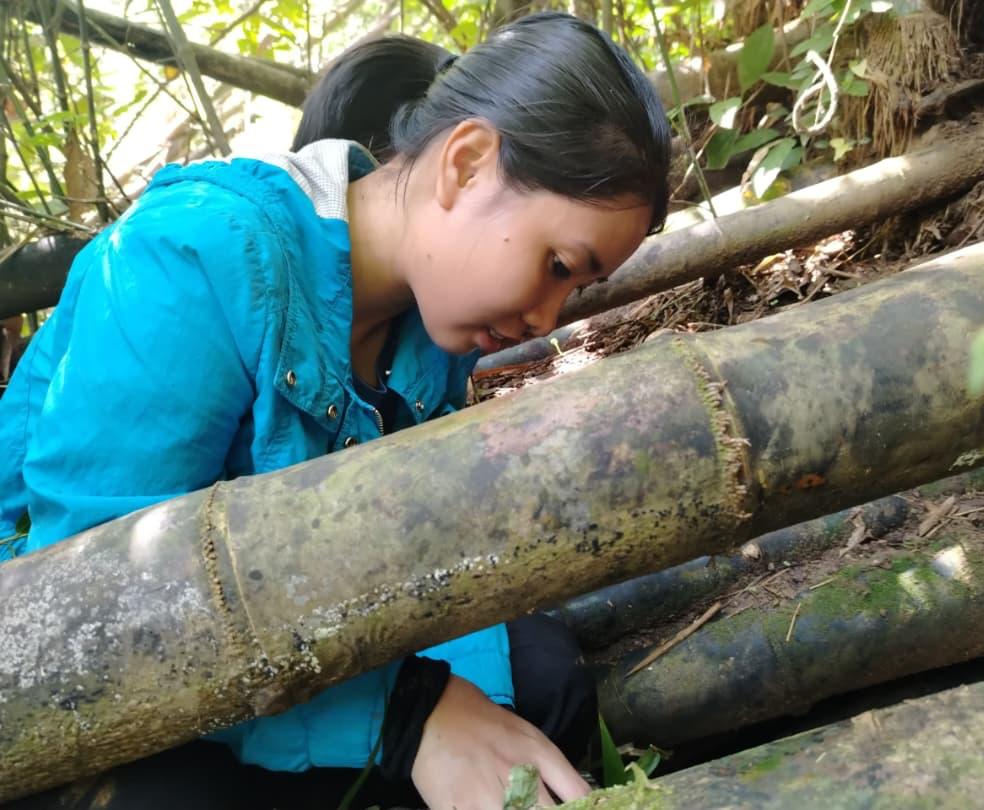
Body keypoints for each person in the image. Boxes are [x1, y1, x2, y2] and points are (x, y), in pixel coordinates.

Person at [0, 11, 671, 809]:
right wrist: (403, 717)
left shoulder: (430, 329)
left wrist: (445, 704)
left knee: (543, 683)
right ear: (466, 164)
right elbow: (100, 616)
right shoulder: (188, 262)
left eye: (576, 288)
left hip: (281, 619)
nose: (545, 317)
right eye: (557, 264)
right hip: (69, 664)